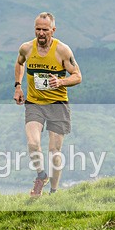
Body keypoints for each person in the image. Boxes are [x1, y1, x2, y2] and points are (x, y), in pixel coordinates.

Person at [13, 12, 82, 197]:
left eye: (45, 30)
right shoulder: (27, 48)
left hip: (58, 104)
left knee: (54, 152)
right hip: (34, 103)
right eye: (38, 29)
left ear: (53, 30)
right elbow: (19, 63)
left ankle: (53, 191)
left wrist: (61, 82)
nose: (41, 33)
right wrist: (18, 86)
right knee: (33, 143)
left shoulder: (63, 51)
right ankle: (41, 176)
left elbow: (77, 76)